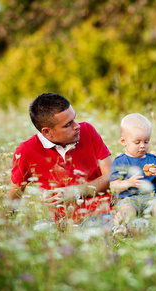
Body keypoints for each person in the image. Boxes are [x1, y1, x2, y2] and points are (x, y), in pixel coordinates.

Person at [7, 93, 113, 227]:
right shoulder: (26, 151)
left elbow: (112, 177)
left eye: (74, 119)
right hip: (66, 224)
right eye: (68, 124)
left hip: (105, 213)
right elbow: (13, 199)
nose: (77, 126)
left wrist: (74, 192)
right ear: (47, 132)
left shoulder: (87, 130)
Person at [110, 113, 156, 236]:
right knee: (125, 210)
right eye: (137, 142)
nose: (142, 145)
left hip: (152, 197)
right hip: (128, 199)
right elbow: (113, 186)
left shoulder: (153, 159)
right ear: (123, 141)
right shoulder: (120, 161)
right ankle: (119, 229)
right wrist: (128, 183)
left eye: (146, 141)